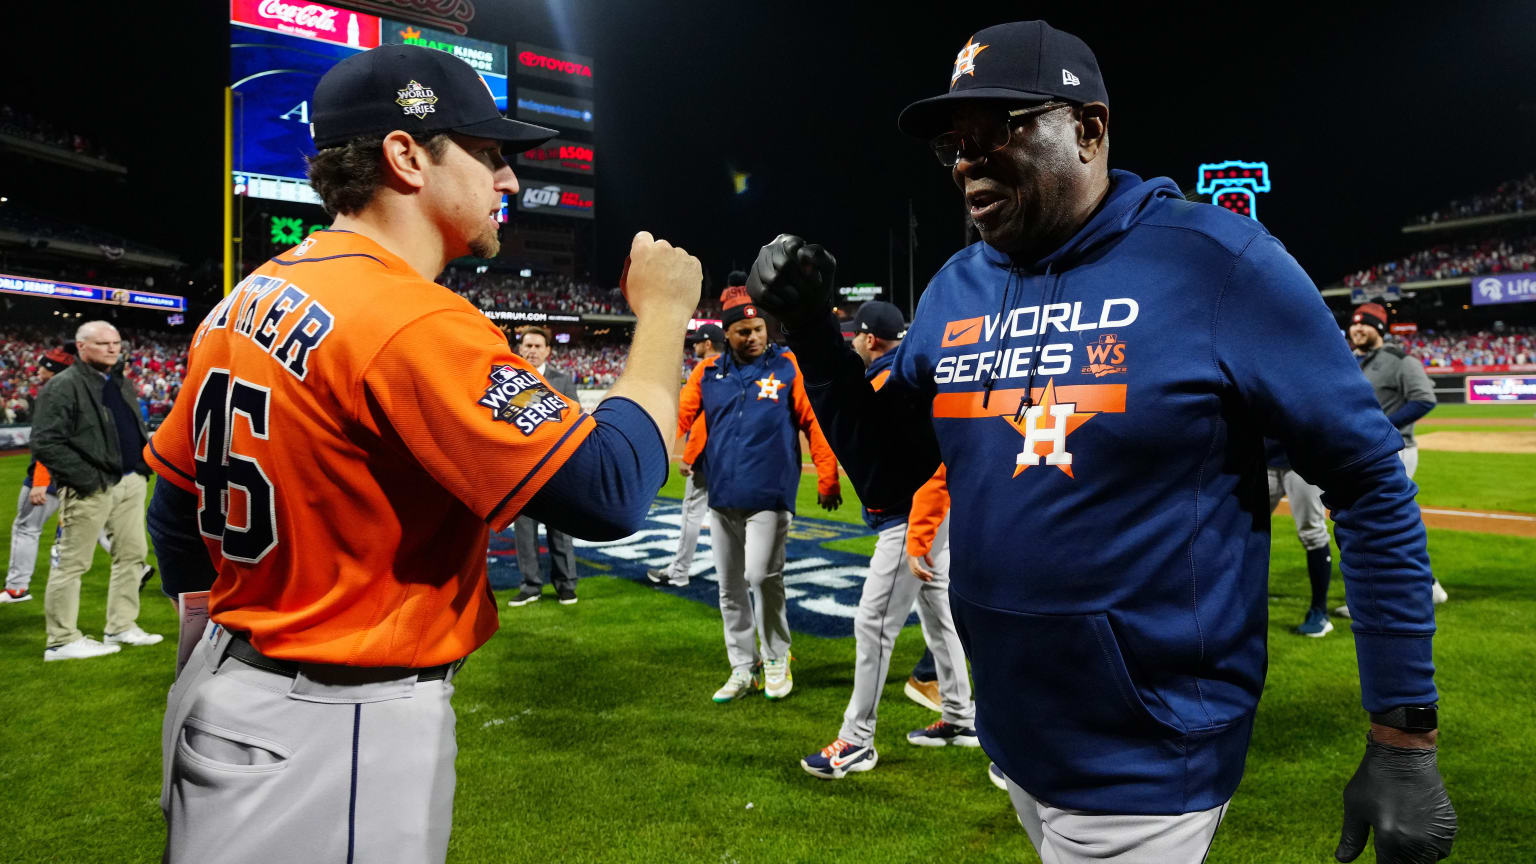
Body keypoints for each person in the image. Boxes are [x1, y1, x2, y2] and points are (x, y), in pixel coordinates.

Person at [746, 20, 1455, 863]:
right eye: (953, 144)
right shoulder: (955, 286)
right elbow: (893, 476)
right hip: (1018, 734)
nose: (968, 158)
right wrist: (812, 339)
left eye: (998, 130)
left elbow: (1370, 478)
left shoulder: (1216, 263)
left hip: (1148, 754)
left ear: (1089, 129)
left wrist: (1404, 736)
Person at [141, 44, 700, 864]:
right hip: (341, 724)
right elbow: (610, 490)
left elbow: (174, 505)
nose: (506, 181)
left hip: (230, 689)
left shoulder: (248, 293)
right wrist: (663, 314)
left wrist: (213, 645)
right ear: (406, 156)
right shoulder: (409, 315)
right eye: (486, 154)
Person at [800, 301, 976, 780]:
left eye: (855, 336)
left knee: (874, 624)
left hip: (911, 519)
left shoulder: (890, 380)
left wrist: (918, 533)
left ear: (870, 338)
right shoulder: (909, 371)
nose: (853, 342)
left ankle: (857, 740)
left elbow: (929, 464)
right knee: (939, 617)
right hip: (929, 518)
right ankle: (961, 716)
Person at [693, 285, 841, 703]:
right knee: (729, 587)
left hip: (771, 496)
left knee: (761, 576)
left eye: (759, 328)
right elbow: (692, 419)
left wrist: (827, 476)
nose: (754, 337)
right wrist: (686, 455)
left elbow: (815, 422)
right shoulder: (709, 374)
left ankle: (776, 654)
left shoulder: (788, 367)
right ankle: (743, 665)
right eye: (744, 331)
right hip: (722, 495)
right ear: (728, 335)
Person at [30, 322, 162, 660]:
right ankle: (61, 640)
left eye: (116, 342)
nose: (112, 348)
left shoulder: (118, 381)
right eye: (102, 343)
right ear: (81, 347)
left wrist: (143, 467)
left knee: (132, 556)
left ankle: (121, 625)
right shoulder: (63, 385)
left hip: (130, 480)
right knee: (73, 563)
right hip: (92, 486)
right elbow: (46, 441)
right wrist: (85, 478)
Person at [1337, 302, 1445, 617]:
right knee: (1376, 527)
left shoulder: (1400, 360)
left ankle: (1375, 602)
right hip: (1362, 452)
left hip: (1395, 451)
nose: (1356, 329)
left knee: (1376, 529)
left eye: (1365, 324)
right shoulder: (1352, 361)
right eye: (1354, 324)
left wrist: (1381, 428)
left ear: (1379, 329)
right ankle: (1429, 587)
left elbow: (1424, 399)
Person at [507, 325, 584, 607]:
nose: (533, 351)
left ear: (548, 351)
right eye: (528, 345)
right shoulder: (510, 382)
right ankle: (530, 585)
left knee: (560, 530)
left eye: (538, 346)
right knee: (524, 532)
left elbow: (574, 423)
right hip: (522, 471)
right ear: (519, 349)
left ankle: (566, 584)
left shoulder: (563, 381)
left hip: (556, 470)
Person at [648, 319, 725, 589]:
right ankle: (740, 574)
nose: (694, 348)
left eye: (697, 343)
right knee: (731, 517)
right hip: (734, 455)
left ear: (708, 344)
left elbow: (699, 418)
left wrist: (689, 456)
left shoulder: (706, 368)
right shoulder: (739, 368)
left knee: (693, 513)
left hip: (706, 455)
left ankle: (680, 571)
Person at [4, 348, 75, 605]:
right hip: (74, 475)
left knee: (26, 529)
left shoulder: (54, 393)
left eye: (43, 366)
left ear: (52, 370)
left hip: (49, 476)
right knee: (94, 528)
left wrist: (41, 481)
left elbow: (49, 441)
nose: (37, 370)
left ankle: (16, 588)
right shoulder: (80, 391)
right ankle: (137, 569)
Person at [1266, 439, 1336, 636]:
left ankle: (1319, 612)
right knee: (1247, 530)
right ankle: (1241, 600)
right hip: (1263, 460)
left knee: (1312, 533)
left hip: (1304, 462)